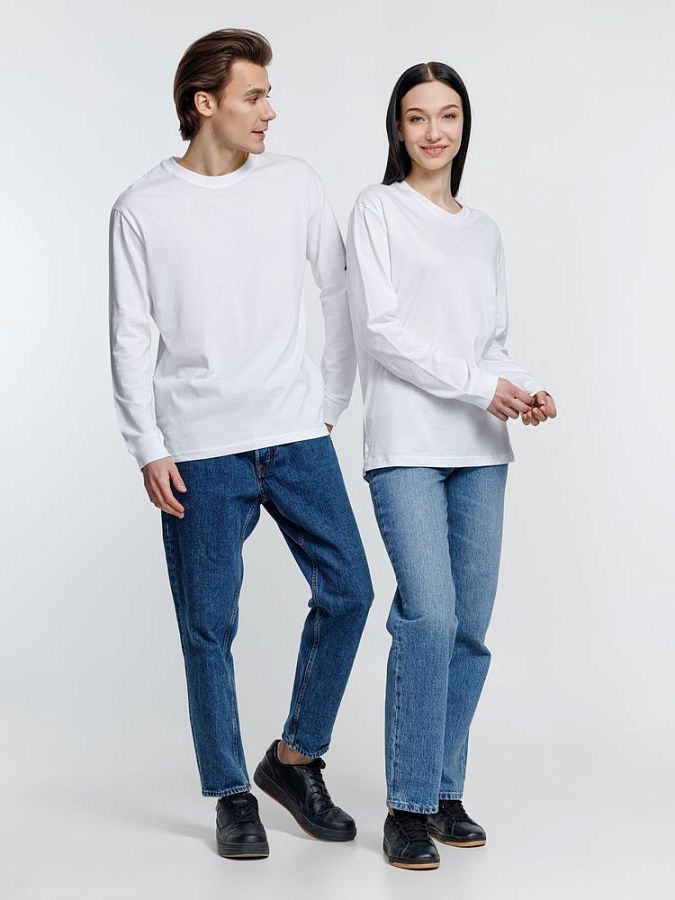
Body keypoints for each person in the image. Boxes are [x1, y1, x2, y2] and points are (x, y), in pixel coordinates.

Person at [108, 28, 373, 860]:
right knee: (207, 627)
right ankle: (230, 792)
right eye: (254, 96)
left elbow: (337, 292)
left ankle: (293, 759)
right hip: (197, 447)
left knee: (350, 591)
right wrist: (147, 445)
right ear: (205, 103)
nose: (269, 111)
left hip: (294, 434)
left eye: (267, 95)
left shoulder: (293, 184)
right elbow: (129, 335)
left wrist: (329, 401)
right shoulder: (142, 207)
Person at [346, 61, 557, 870]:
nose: (433, 132)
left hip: (479, 451)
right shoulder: (377, 211)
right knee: (427, 618)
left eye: (447, 116)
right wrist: (481, 387)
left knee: (468, 630)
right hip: (405, 445)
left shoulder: (483, 230)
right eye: (416, 117)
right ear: (396, 128)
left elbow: (491, 342)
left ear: (464, 126)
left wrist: (524, 390)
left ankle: (440, 790)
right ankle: (405, 805)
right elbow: (382, 331)